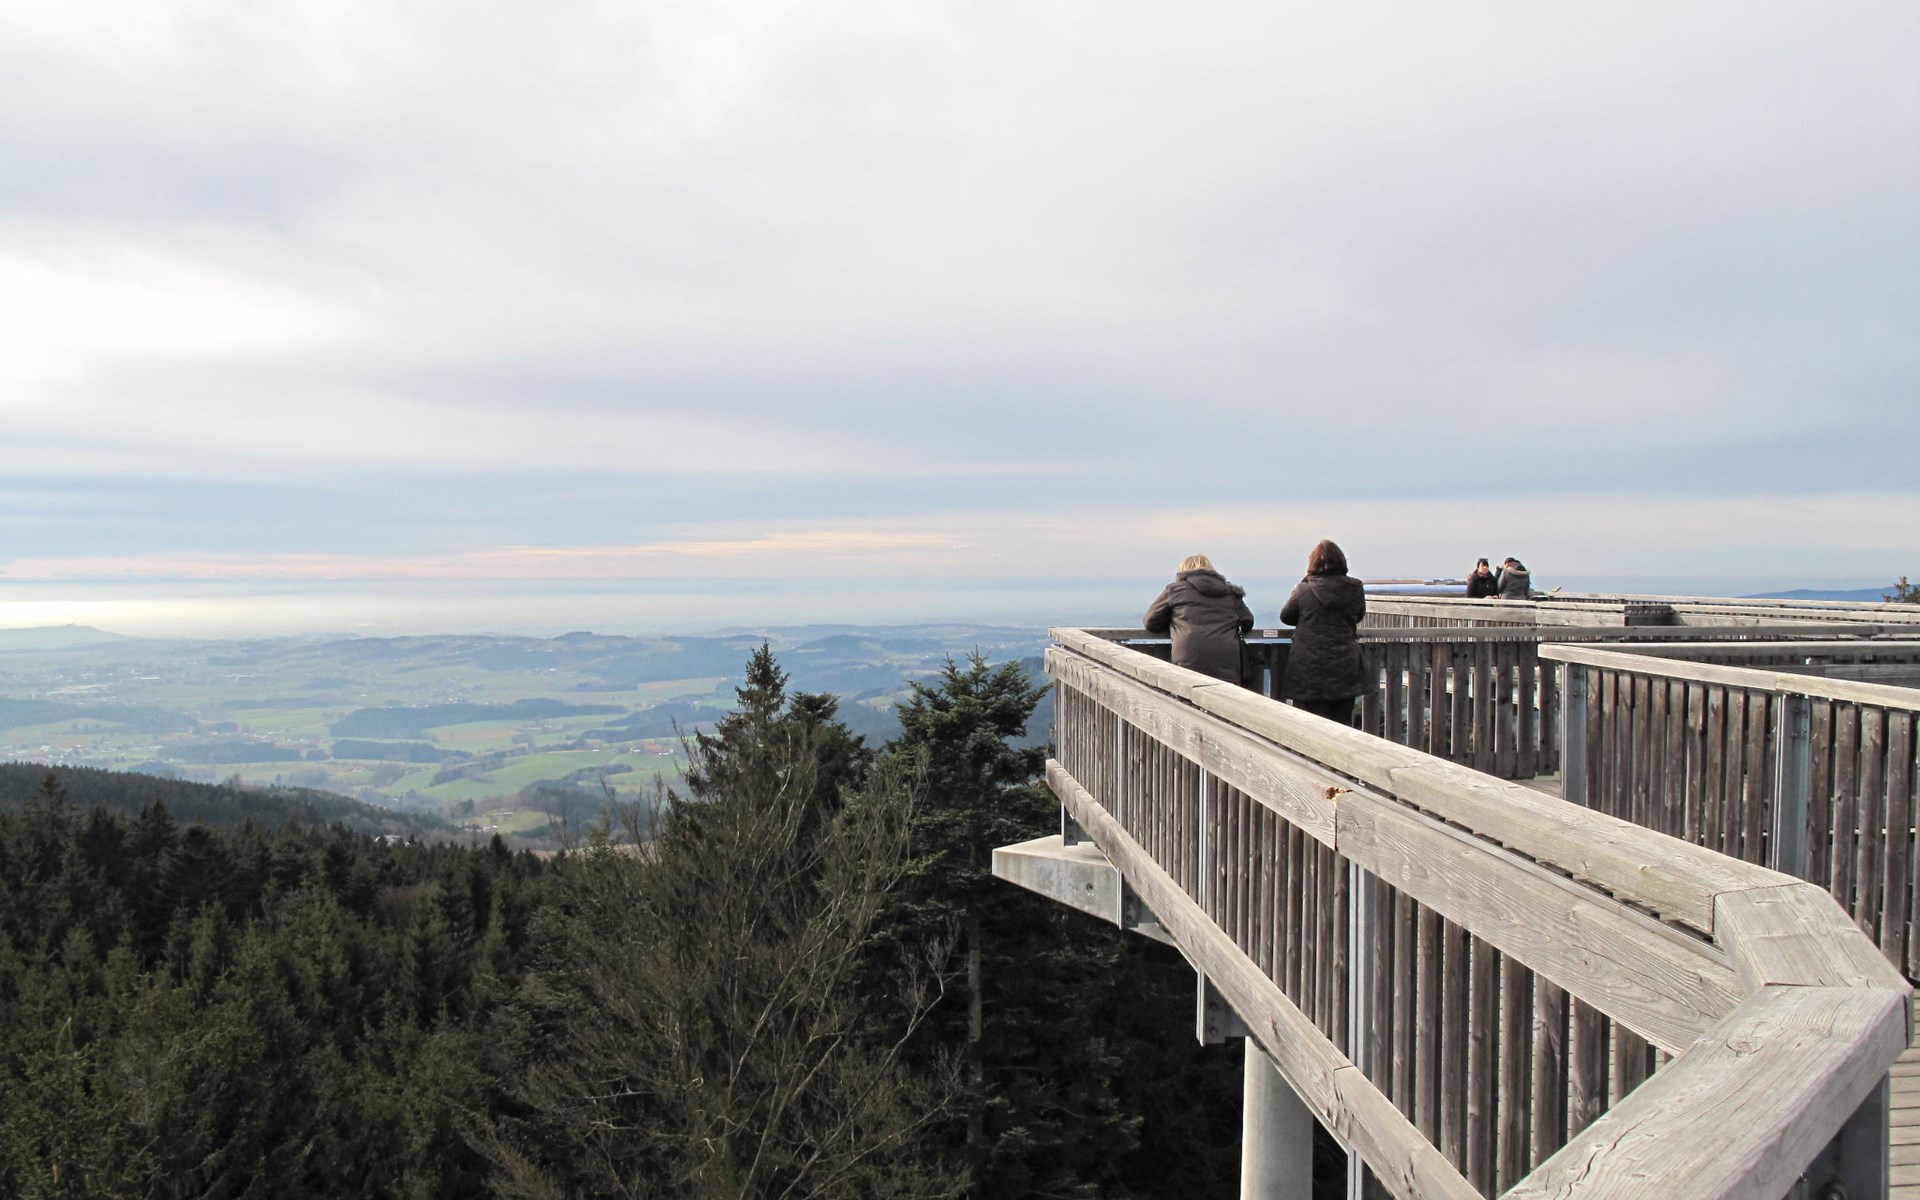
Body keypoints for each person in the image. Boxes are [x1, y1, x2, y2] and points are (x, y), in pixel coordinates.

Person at [1280, 539, 1368, 726]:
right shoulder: (1355, 588)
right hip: (1346, 666)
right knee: (1342, 726)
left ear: (1312, 564)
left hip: (1310, 668)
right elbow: (1358, 615)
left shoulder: (1303, 590)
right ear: (1342, 562)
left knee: (1311, 725)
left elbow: (1286, 617)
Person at [1142, 554, 1255, 682]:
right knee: (1227, 693)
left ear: (1182, 571)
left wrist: (1174, 625)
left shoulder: (1175, 590)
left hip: (1188, 656)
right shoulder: (1230, 592)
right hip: (1226, 658)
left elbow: (1150, 621)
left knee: (1186, 691)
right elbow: (1247, 622)